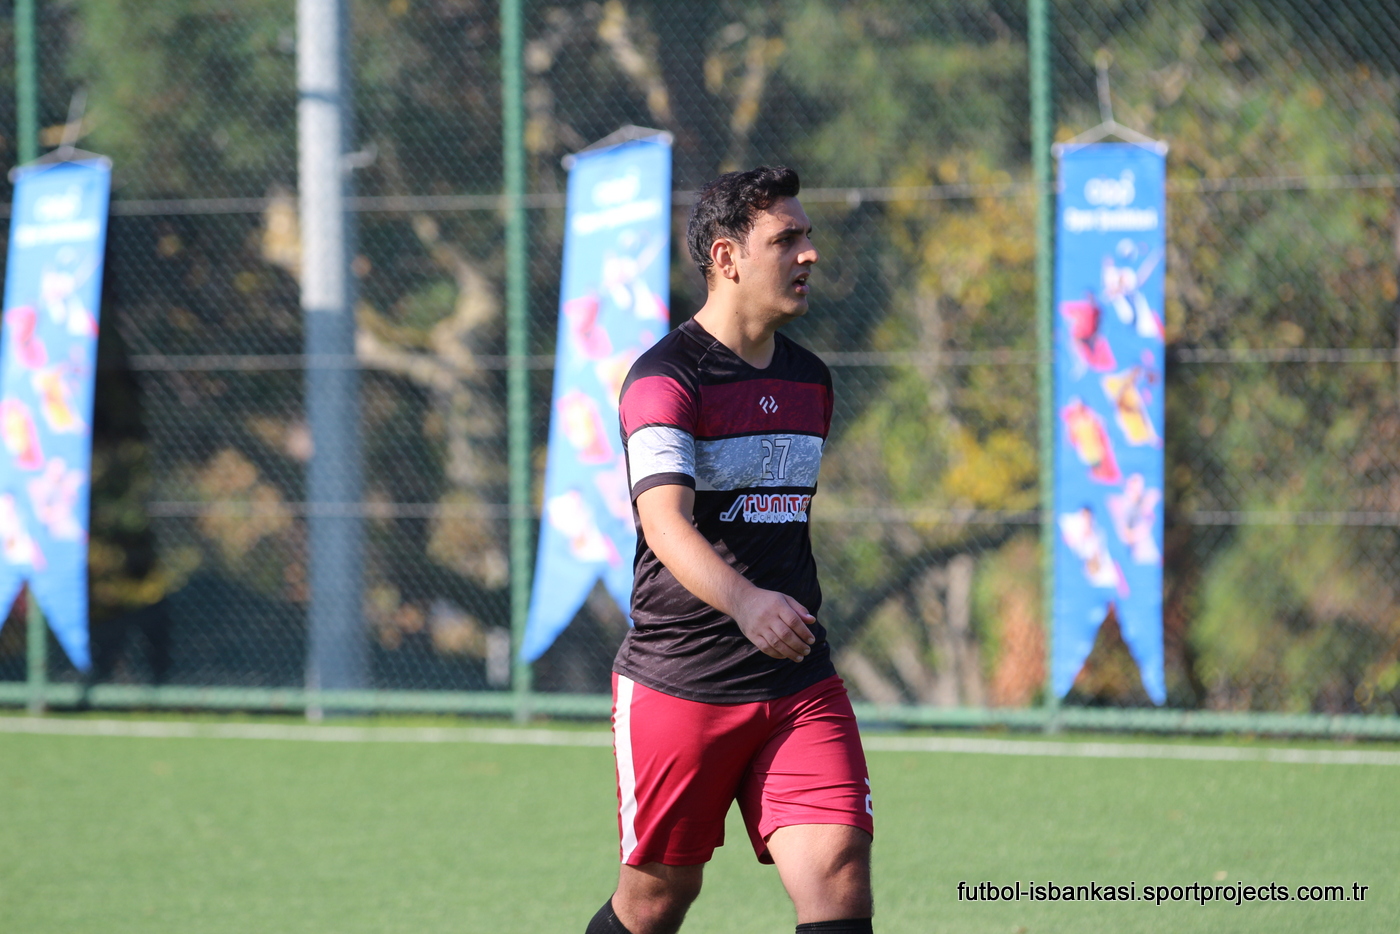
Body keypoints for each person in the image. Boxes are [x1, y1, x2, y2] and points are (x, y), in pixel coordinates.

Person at [585, 166, 874, 934]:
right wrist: (746, 603)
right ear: (727, 258)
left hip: (797, 680)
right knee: (656, 900)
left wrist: (772, 612)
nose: (809, 253)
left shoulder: (811, 381)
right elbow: (664, 523)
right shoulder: (663, 380)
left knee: (840, 876)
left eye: (808, 235)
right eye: (787, 238)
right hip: (683, 683)